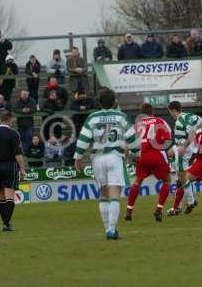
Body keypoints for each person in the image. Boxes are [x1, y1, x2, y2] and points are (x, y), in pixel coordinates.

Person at [74, 88, 139, 239]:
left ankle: (106, 229)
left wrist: (78, 158)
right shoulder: (120, 117)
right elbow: (132, 138)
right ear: (114, 101)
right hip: (115, 157)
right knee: (114, 194)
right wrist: (136, 154)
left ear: (99, 102)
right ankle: (111, 230)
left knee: (103, 194)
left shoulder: (92, 117)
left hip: (97, 159)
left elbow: (83, 139)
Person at [125, 103, 172, 222]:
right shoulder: (160, 121)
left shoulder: (137, 124)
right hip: (158, 154)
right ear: (153, 112)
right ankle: (159, 209)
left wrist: (135, 152)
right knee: (167, 181)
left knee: (137, 182)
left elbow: (127, 138)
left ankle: (129, 211)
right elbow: (168, 137)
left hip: (144, 155)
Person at [0, 111, 26, 232]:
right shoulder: (13, 134)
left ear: (0, 119)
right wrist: (22, 168)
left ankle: (5, 223)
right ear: (9, 119)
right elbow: (18, 154)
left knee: (0, 197)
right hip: (10, 166)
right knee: (10, 197)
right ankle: (6, 224)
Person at [166, 101, 202, 216]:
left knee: (182, 178)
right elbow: (199, 122)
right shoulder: (188, 116)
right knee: (169, 153)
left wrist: (184, 146)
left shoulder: (180, 120)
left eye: (170, 111)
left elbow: (192, 134)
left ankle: (191, 201)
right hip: (182, 148)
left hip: (184, 150)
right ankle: (175, 169)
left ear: (173, 110)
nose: (170, 114)